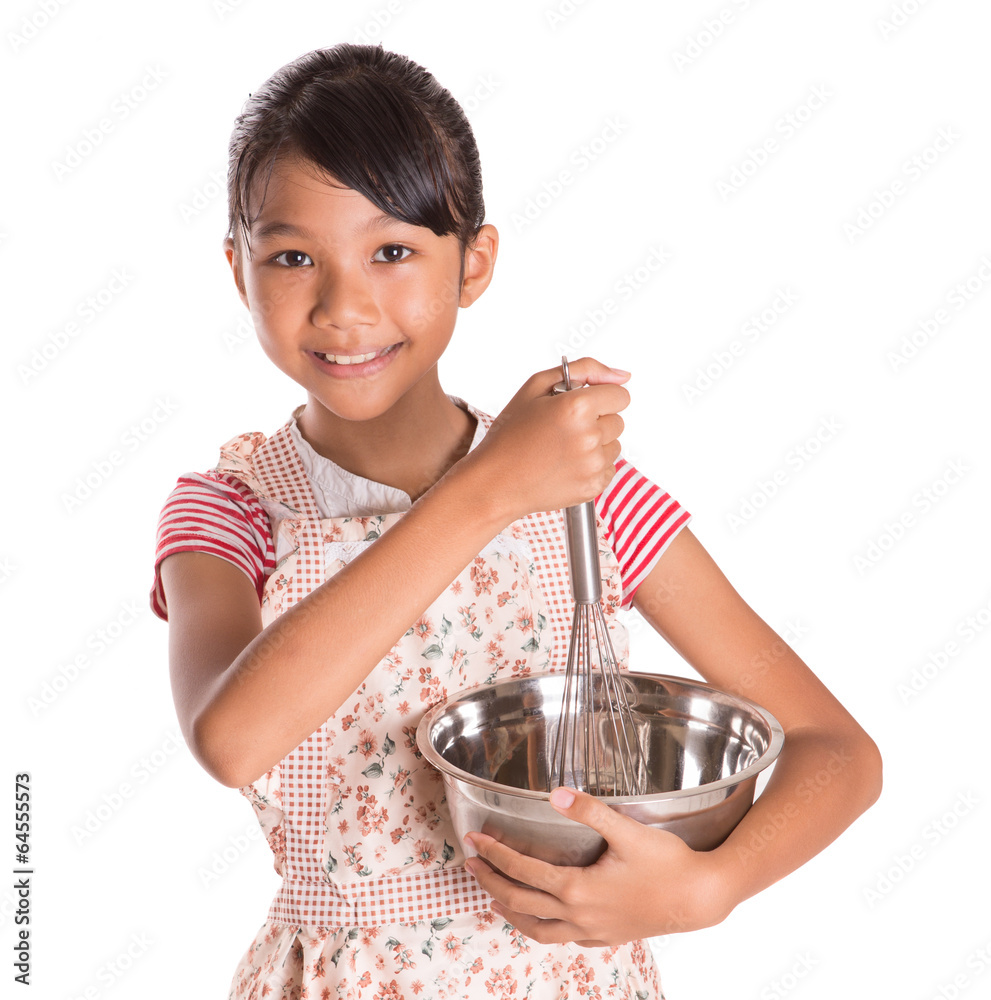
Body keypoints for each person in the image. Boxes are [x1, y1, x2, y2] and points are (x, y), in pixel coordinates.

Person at [150, 42, 882, 1000]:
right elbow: (232, 739)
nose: (343, 305)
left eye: (393, 251)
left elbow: (839, 753)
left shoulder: (588, 494)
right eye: (292, 257)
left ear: (474, 263)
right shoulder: (232, 511)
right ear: (238, 272)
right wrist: (485, 489)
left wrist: (710, 887)